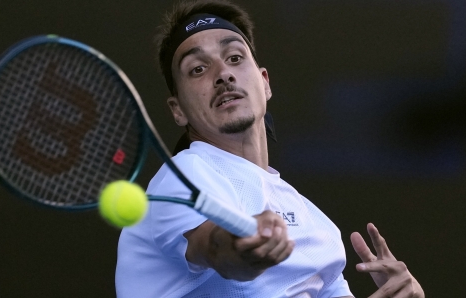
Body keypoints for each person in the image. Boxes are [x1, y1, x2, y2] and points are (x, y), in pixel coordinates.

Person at [116, 1, 424, 297]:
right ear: (178, 109)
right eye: (198, 69)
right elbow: (215, 249)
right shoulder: (183, 177)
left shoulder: (316, 223)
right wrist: (242, 247)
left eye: (235, 58)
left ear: (264, 83)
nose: (223, 74)